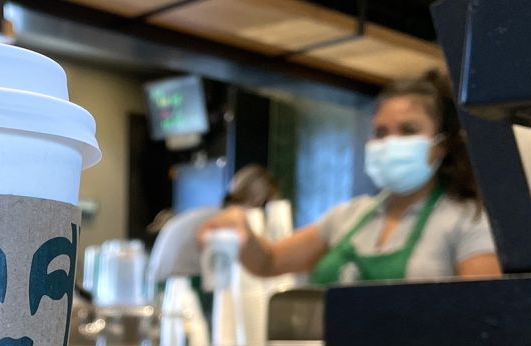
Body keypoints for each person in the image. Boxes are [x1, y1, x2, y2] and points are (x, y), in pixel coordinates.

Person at [199, 71, 501, 284]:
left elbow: (482, 320)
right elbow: (269, 262)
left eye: (408, 131)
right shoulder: (348, 218)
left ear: (442, 145)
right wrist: (243, 232)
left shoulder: (468, 221)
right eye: (381, 133)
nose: (390, 143)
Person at [146, 164, 282, 292]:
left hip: (157, 292)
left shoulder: (210, 214)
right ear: (260, 202)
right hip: (178, 296)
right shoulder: (232, 226)